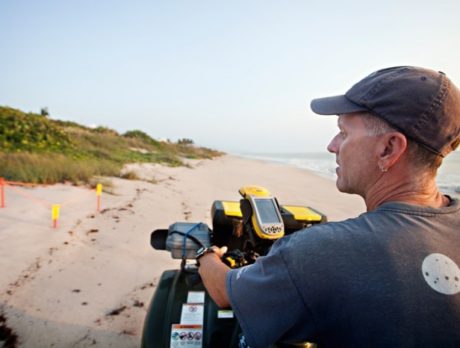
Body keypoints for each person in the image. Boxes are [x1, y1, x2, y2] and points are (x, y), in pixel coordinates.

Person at [198, 66, 460, 347]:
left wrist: (206, 254)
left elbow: (226, 292)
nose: (332, 146)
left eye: (343, 133)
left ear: (389, 148)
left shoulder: (322, 251)